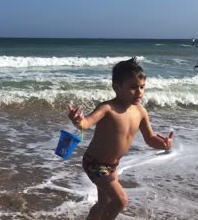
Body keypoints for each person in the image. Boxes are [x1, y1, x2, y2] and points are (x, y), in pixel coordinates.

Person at [67, 57, 174, 220]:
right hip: (94, 164)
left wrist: (164, 144)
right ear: (116, 87)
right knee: (121, 200)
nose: (139, 92)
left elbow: (150, 138)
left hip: (112, 165)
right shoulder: (108, 108)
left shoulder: (140, 111)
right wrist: (78, 120)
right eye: (133, 87)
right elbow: (87, 122)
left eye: (142, 87)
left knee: (104, 202)